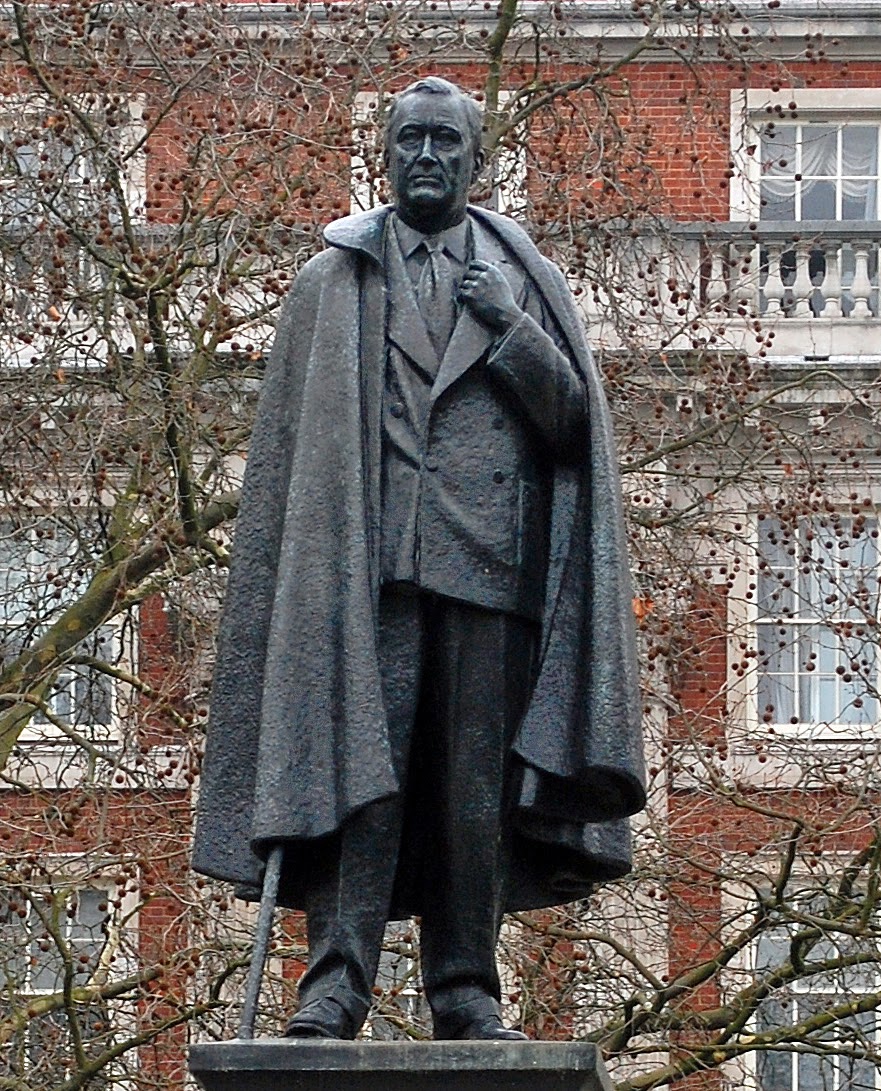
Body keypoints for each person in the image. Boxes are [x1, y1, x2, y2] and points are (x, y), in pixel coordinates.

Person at [191, 77, 645, 1042]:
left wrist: (511, 331)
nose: (427, 157)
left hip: (491, 577)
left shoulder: (526, 281)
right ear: (384, 157)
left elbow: (573, 429)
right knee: (360, 775)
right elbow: (288, 467)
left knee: (471, 793)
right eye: (409, 142)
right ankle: (336, 984)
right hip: (367, 575)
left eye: (446, 141)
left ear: (477, 161)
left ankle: (465, 989)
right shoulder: (333, 282)